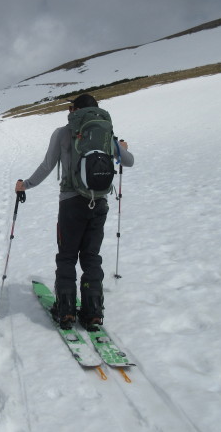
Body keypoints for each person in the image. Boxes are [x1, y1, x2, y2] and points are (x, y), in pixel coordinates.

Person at [15, 94, 134, 330]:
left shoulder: (62, 133)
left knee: (67, 256)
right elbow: (128, 161)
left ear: (75, 110)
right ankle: (93, 313)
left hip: (71, 203)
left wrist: (25, 184)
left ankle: (66, 310)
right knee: (91, 257)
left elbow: (47, 166)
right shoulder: (104, 133)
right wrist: (119, 148)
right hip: (99, 203)